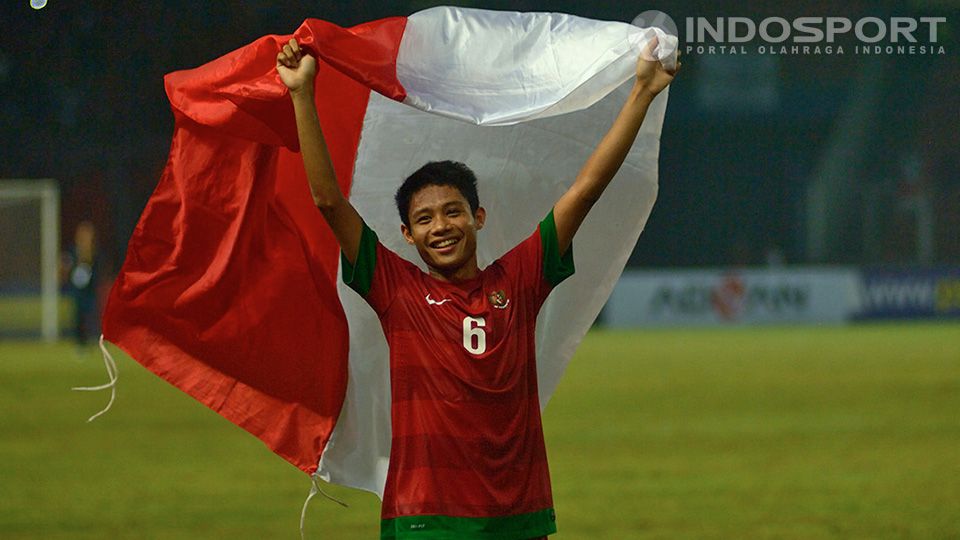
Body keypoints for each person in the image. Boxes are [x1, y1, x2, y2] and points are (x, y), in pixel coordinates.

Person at [277, 36, 678, 540]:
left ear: (477, 217)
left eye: (452, 211)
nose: (440, 226)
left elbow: (586, 188)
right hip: (423, 519)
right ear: (407, 235)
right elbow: (329, 201)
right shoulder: (394, 289)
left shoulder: (521, 276)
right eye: (423, 219)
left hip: (518, 515)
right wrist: (301, 94)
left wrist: (642, 91)